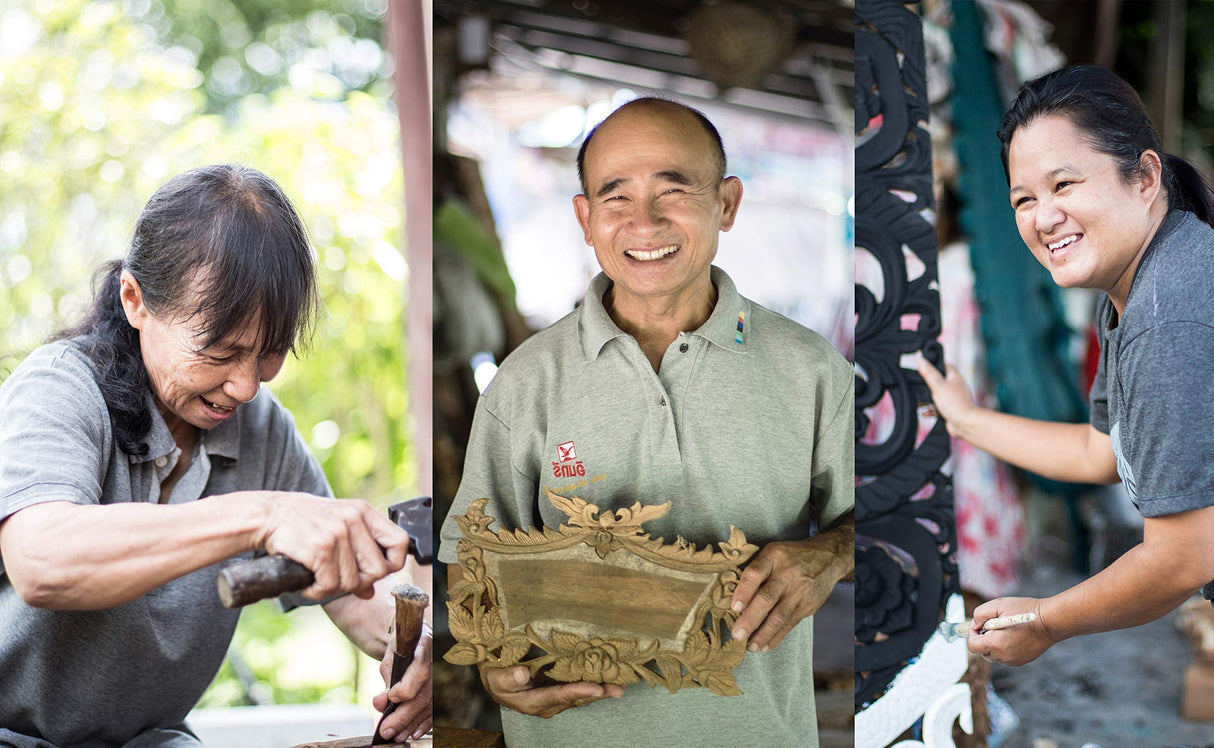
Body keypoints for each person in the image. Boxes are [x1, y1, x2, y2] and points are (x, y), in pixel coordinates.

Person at [437, 98, 855, 745]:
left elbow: (886, 524)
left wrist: (829, 554)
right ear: (584, 217)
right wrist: (495, 662)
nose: (645, 222)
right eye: (615, 197)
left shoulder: (812, 370)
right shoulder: (525, 381)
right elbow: (472, 557)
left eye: (673, 190)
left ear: (727, 203)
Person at [0, 165, 432, 746]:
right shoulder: (61, 388)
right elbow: (41, 560)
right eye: (221, 351)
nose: (247, 387)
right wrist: (263, 516)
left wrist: (422, 649)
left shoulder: (259, 429)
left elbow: (352, 591)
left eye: (270, 354)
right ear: (136, 301)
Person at [917, 65, 1214, 666]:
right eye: (1023, 199)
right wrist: (965, 418)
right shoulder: (1137, 287)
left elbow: (1184, 555)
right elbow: (1099, 453)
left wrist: (1046, 622)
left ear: (1146, 176)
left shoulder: (1168, 311)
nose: (1043, 216)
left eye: (1064, 184)